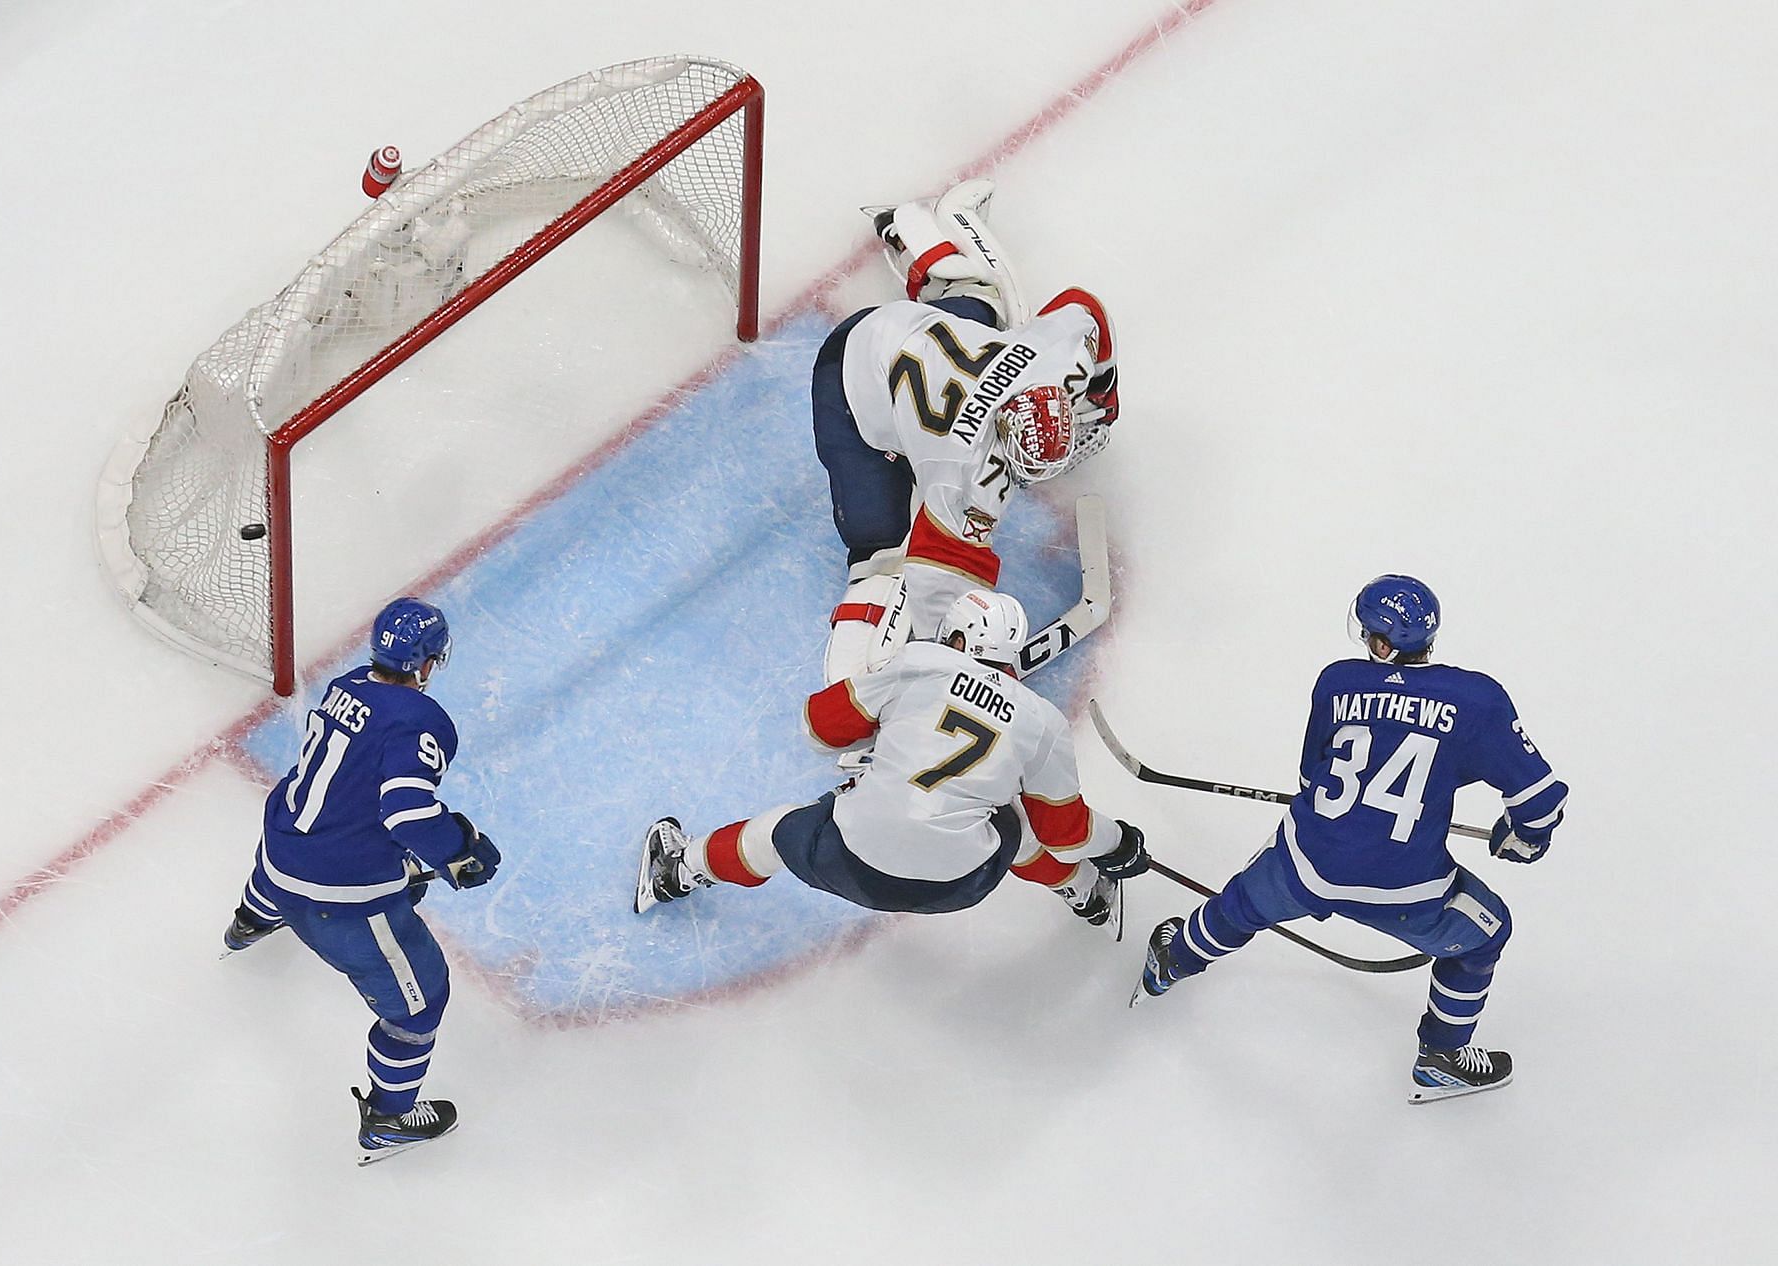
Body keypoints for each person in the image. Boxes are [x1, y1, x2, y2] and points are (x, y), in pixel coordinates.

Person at [1137, 575, 1569, 1103]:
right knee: (1486, 935)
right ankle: (1441, 1056)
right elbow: (1540, 801)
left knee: (1242, 904)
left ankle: (1170, 963)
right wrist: (1523, 839)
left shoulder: (1337, 682)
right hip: (1405, 893)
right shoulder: (1477, 701)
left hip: (1305, 862)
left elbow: (1308, 777)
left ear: (1382, 644)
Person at [635, 587, 1149, 929]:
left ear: (955, 638)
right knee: (1017, 823)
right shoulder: (1043, 721)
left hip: (853, 859)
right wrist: (1119, 844)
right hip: (958, 887)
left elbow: (819, 728)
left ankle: (677, 870)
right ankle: (1087, 893)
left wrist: (891, 719)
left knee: (772, 834)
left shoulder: (923, 662)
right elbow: (1067, 833)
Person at [221, 597, 501, 1163]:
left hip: (279, 848)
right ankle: (391, 1118)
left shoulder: (344, 686)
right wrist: (457, 850)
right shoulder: (423, 721)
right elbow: (405, 810)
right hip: (342, 900)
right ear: (426, 663)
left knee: (290, 869)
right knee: (418, 1008)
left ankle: (250, 921)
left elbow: (351, 787)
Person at [813, 179, 1121, 683]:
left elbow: (1083, 307)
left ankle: (917, 238)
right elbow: (943, 594)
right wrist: (971, 671)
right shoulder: (964, 478)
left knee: (982, 307)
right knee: (879, 557)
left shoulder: (1053, 362)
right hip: (847, 382)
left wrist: (1101, 394)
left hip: (909, 332)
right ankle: (842, 697)